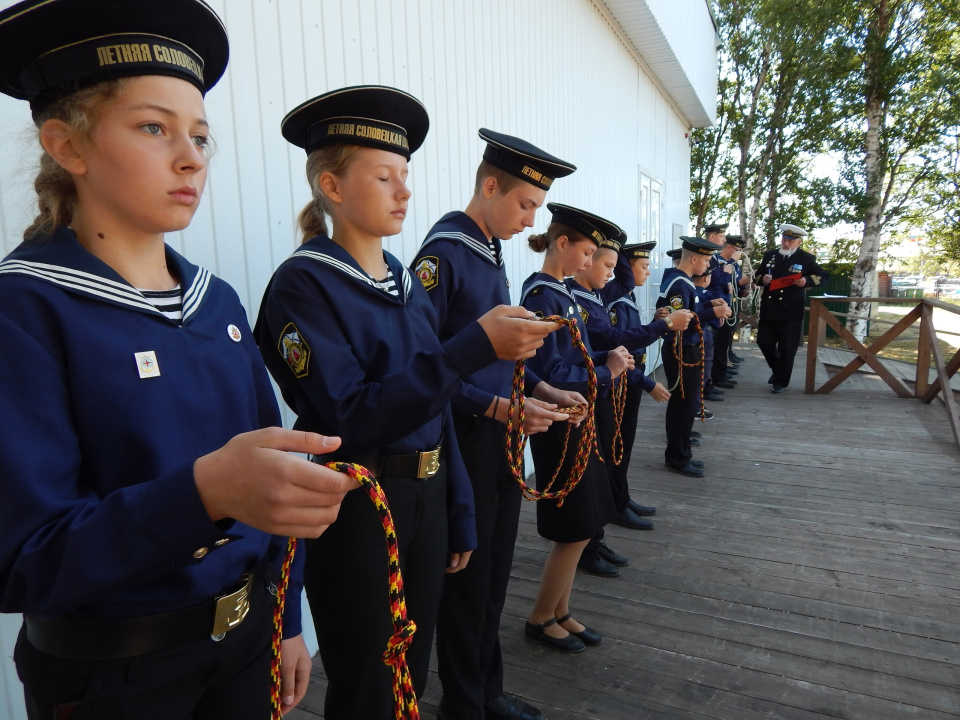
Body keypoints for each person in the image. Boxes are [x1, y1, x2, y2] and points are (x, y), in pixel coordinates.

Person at [0, 2, 361, 717]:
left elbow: (272, 475)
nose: (192, 155)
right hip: (115, 676)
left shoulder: (217, 302)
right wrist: (203, 495)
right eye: (153, 127)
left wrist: (286, 621)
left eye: (199, 134)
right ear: (67, 146)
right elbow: (22, 562)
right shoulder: (27, 310)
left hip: (244, 646)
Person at [254, 86, 559, 719]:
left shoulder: (399, 276)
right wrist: (472, 346)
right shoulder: (304, 285)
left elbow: (437, 403)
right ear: (333, 188)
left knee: (411, 676)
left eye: (406, 176)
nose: (404, 192)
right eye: (384, 176)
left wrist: (459, 505)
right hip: (362, 506)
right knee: (367, 681)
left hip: (427, 495)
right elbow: (352, 415)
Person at [412, 129, 584, 720]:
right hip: (467, 438)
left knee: (495, 570)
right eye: (524, 204)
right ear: (490, 185)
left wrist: (541, 386)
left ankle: (487, 690)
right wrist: (495, 409)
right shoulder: (444, 255)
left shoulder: (489, 249)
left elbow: (498, 354)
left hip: (503, 429)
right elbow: (426, 368)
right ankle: (463, 703)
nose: (529, 218)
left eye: (537, 207)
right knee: (467, 577)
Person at [521, 203, 634, 652]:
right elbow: (548, 375)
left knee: (585, 524)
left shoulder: (561, 291)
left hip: (578, 420)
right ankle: (539, 617)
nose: (590, 263)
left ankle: (561, 611)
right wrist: (607, 371)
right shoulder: (541, 297)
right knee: (573, 527)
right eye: (586, 252)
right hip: (561, 421)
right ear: (561, 243)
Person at [568, 235, 693, 572]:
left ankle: (596, 537)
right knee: (597, 469)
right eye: (603, 263)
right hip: (593, 391)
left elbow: (621, 286)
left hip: (608, 385)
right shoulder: (578, 297)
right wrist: (663, 325)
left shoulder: (597, 294)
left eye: (612, 263)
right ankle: (589, 543)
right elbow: (614, 339)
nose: (612, 273)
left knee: (609, 461)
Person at [657, 237, 732, 477]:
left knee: (686, 403)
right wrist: (714, 312)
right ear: (694, 258)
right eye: (707, 259)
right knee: (683, 404)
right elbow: (682, 322)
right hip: (681, 349)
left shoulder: (682, 281)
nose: (708, 265)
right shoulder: (679, 283)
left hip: (686, 348)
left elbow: (691, 308)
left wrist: (709, 302)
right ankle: (677, 457)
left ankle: (682, 451)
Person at [755, 223, 829, 393]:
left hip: (791, 310)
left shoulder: (806, 259)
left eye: (790, 240)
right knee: (763, 342)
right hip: (770, 308)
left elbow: (823, 276)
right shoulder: (770, 255)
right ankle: (778, 371)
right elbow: (757, 276)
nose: (786, 243)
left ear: (799, 242)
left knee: (787, 349)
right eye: (784, 239)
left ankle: (780, 382)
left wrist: (807, 281)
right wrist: (762, 280)